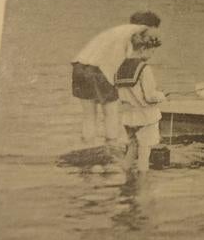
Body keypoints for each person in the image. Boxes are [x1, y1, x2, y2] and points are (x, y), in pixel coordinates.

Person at [71, 11, 161, 146]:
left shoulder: (117, 30)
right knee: (111, 113)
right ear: (150, 26)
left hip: (79, 67)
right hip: (98, 70)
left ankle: (87, 148)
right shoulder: (140, 31)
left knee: (89, 115)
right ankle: (111, 148)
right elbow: (132, 63)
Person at [113, 29, 166, 173]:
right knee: (144, 152)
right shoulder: (144, 68)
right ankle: (143, 186)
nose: (151, 55)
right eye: (152, 52)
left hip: (128, 116)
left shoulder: (119, 67)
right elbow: (150, 97)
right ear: (143, 48)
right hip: (145, 117)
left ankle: (126, 182)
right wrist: (162, 96)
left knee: (132, 147)